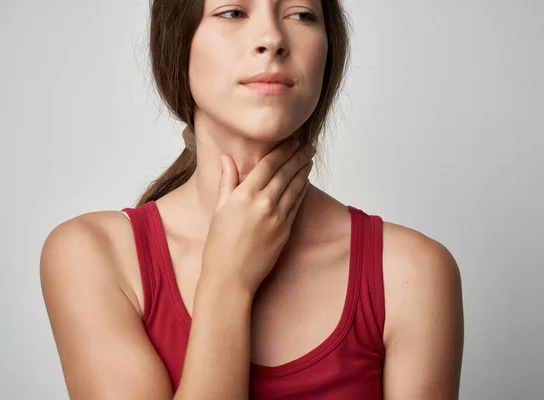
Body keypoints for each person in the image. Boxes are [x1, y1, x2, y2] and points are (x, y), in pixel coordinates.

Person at [40, 0, 464, 398]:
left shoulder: (412, 272)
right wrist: (228, 282)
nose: (272, 39)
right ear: (177, 43)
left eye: (301, 14)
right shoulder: (93, 254)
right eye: (233, 11)